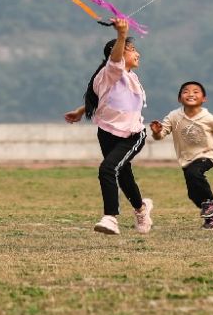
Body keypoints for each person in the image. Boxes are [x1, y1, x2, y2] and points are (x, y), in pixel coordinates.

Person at [65, 18, 153, 235]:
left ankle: (110, 218)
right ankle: (141, 209)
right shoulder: (112, 71)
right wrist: (122, 35)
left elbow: (103, 99)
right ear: (118, 53)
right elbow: (114, 63)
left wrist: (79, 110)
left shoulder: (126, 77)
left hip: (132, 135)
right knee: (123, 174)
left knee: (107, 169)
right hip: (107, 133)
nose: (137, 54)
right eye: (132, 50)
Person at [150, 81, 213, 230]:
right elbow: (160, 136)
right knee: (193, 194)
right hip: (186, 158)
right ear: (179, 99)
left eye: (196, 91)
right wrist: (156, 132)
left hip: (207, 155)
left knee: (194, 173)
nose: (190, 94)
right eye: (186, 91)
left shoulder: (209, 118)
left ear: (204, 99)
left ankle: (210, 203)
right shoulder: (174, 117)